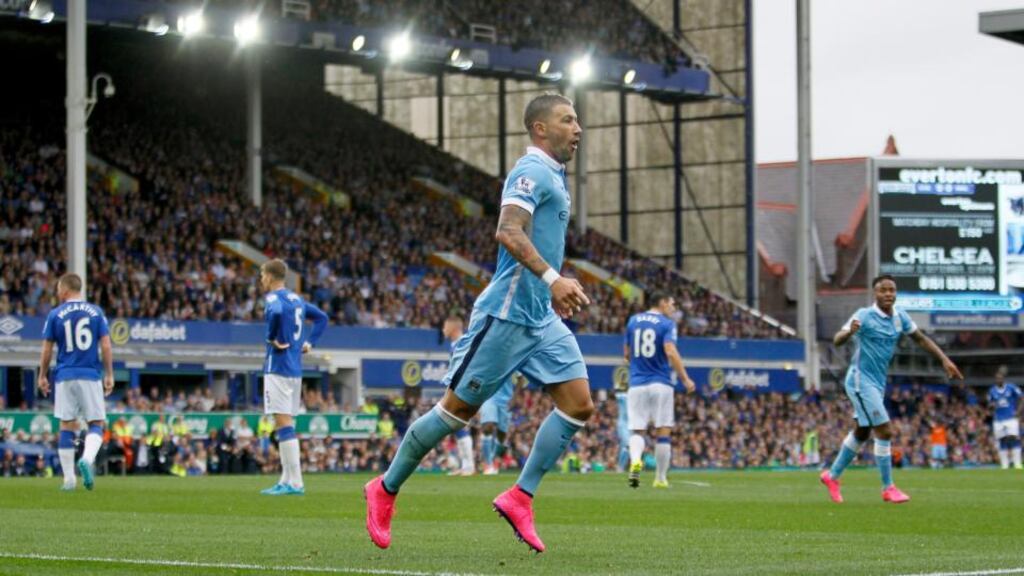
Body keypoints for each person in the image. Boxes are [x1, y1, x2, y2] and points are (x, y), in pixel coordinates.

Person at [365, 93, 592, 553]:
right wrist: (552, 279)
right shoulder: (530, 172)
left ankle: (520, 496)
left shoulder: (555, 176)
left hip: (539, 318)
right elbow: (507, 231)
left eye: (578, 119)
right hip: (506, 316)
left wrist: (547, 291)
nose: (578, 127)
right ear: (540, 129)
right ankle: (385, 489)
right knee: (455, 413)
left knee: (579, 405)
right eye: (568, 120)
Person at [820, 274, 963, 504]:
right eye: (883, 290)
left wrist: (944, 359)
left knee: (863, 432)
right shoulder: (864, 315)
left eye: (891, 290)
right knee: (884, 430)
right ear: (875, 294)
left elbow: (921, 339)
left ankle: (832, 475)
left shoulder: (900, 318)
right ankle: (888, 488)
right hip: (859, 379)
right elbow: (837, 339)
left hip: (877, 382)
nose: (888, 294)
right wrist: (849, 332)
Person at [37, 273, 114, 491]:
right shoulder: (96, 312)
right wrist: (109, 374)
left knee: (66, 424)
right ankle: (87, 460)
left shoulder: (55, 314)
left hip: (64, 375)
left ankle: (69, 480)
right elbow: (106, 346)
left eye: (58, 289)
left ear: (65, 290)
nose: (57, 293)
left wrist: (42, 375)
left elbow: (47, 348)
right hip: (90, 374)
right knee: (96, 423)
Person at [258, 259, 328, 496]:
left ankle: (295, 482)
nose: (261, 280)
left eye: (262, 275)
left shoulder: (273, 299)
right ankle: (286, 478)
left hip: (277, 366)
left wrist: (272, 337)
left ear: (269, 276)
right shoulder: (297, 299)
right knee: (286, 425)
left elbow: (275, 312)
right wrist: (309, 343)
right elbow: (322, 318)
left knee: (283, 425)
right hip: (295, 369)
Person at [623, 292, 695, 489]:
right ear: (662, 302)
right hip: (660, 382)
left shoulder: (633, 321)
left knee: (638, 430)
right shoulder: (666, 324)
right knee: (663, 430)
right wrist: (685, 378)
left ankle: (636, 460)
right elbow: (670, 350)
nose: (673, 307)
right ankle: (660, 478)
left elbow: (627, 354)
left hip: (637, 383)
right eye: (672, 303)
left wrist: (639, 366)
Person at [441, 314, 475, 476]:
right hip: (458, 388)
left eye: (445, 326)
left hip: (463, 389)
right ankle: (465, 465)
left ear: (453, 327)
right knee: (457, 426)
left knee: (460, 425)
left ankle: (469, 466)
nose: (443, 329)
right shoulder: (455, 344)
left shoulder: (462, 343)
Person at [479, 373, 522, 475]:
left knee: (501, 434)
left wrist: (514, 398)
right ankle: (488, 464)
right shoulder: (486, 359)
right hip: (489, 397)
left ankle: (493, 460)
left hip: (506, 401)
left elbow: (520, 379)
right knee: (487, 427)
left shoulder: (512, 359)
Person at [988, 365, 1022, 470]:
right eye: (997, 378)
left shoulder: (1011, 387)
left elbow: (1022, 397)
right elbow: (990, 404)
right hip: (998, 419)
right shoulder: (992, 390)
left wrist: (1019, 411)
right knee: (1002, 440)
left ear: (1003, 378)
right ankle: (1005, 465)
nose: (998, 380)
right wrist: (991, 406)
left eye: (1000, 378)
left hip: (1011, 418)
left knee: (1014, 439)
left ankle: (1017, 463)